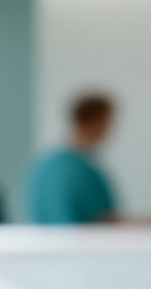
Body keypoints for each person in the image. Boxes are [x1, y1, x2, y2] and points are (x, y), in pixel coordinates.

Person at [26, 92, 120, 225]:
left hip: (48, 244)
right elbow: (102, 220)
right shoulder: (80, 171)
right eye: (108, 121)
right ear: (96, 122)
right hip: (81, 244)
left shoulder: (44, 166)